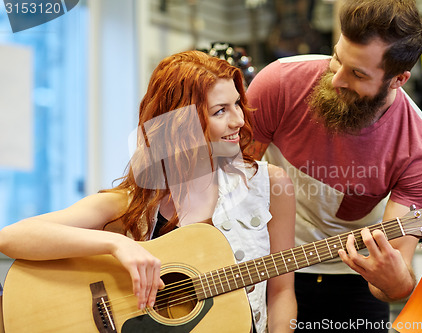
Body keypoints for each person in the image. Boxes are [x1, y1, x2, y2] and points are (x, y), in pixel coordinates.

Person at [0, 50, 297, 333]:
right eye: (221, 111)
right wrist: (117, 245)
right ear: (183, 124)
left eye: (237, 104)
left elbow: (281, 291)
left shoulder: (270, 185)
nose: (239, 120)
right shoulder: (134, 202)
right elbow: (11, 237)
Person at [245, 0, 422, 331]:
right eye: (337, 58)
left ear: (398, 79)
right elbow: (231, 185)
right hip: (268, 263)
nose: (336, 79)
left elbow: (393, 284)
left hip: (352, 278)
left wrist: (394, 280)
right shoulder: (278, 83)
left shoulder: (418, 151)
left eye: (358, 73)